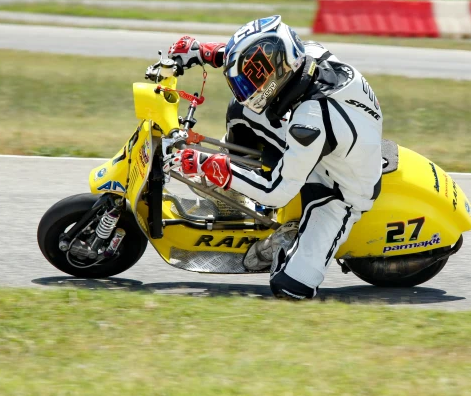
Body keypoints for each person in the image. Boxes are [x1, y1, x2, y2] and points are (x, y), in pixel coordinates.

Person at [152, 15, 383, 300]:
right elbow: (253, 58)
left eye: (254, 79)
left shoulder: (309, 122)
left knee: (290, 289)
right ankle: (238, 202)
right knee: (241, 109)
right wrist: (204, 51)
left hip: (339, 188)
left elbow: (277, 192)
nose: (247, 88)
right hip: (332, 147)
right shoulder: (305, 56)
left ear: (279, 69)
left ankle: (290, 234)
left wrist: (210, 165)